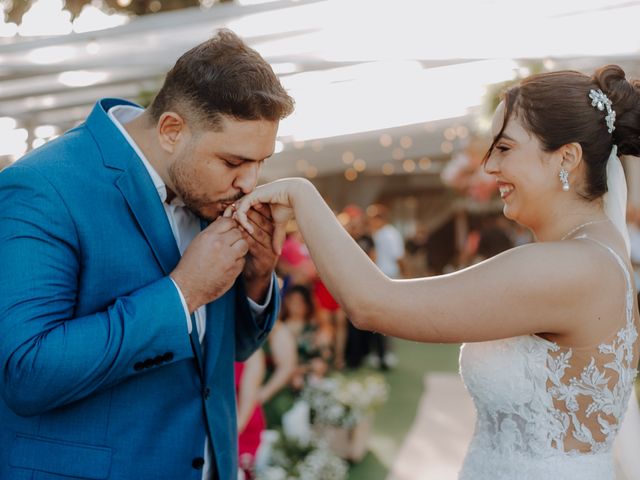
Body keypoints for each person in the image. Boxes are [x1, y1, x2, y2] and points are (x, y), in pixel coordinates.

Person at [232, 65, 640, 479]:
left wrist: (302, 194)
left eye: (504, 149)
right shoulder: (597, 256)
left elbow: (374, 304)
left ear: (566, 157)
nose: (489, 168)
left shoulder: (564, 267)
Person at [0, 29, 293, 479]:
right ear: (172, 130)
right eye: (234, 163)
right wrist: (183, 293)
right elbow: (26, 372)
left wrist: (256, 279)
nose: (249, 184)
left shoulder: (205, 192)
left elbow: (225, 353)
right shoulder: (43, 189)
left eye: (260, 162)